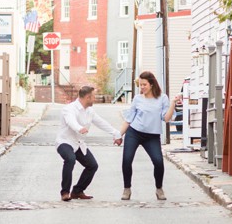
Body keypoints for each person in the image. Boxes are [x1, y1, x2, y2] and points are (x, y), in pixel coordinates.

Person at [118, 71, 181, 201]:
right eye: (140, 85)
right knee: (127, 160)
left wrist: (173, 103)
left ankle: (159, 188)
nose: (142, 88)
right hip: (134, 133)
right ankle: (127, 189)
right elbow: (128, 119)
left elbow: (167, 118)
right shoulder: (138, 99)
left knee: (158, 162)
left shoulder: (162, 98)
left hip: (152, 136)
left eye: (144, 85)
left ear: (151, 84)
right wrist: (119, 135)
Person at [56, 85, 122, 202]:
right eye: (93, 97)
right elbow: (70, 121)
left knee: (92, 165)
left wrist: (116, 133)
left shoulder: (90, 111)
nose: (95, 99)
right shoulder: (69, 109)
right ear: (87, 97)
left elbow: (101, 122)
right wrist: (79, 128)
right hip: (65, 142)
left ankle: (77, 191)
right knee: (70, 159)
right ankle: (65, 192)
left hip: (79, 143)